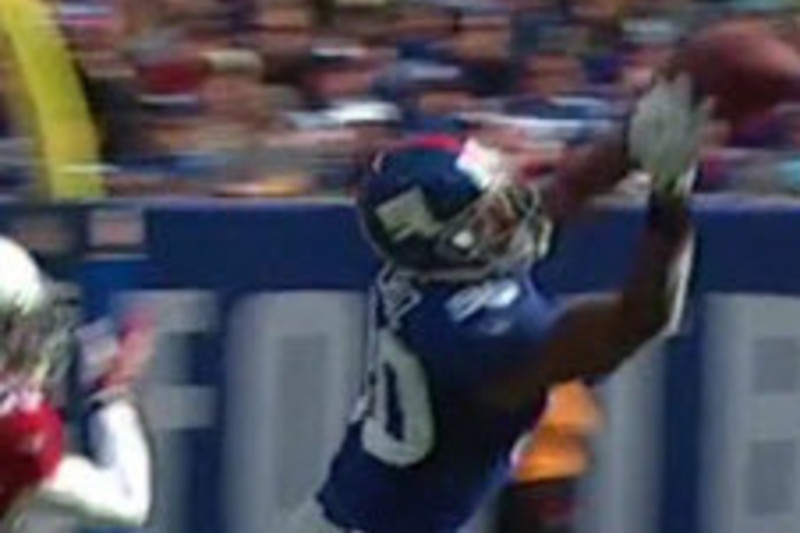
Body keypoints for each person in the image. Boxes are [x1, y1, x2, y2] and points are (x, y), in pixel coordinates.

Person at [283, 73, 709, 533]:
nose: (512, 216)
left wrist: (635, 138)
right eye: (490, 216)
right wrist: (671, 200)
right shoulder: (465, 333)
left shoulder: (438, 271)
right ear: (445, 240)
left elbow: (567, 191)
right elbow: (639, 321)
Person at [0, 236, 154, 532]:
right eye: (19, 330)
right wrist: (112, 396)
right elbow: (126, 502)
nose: (30, 343)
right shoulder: (17, 426)